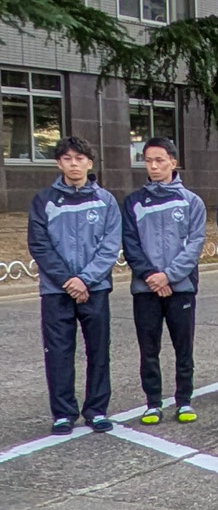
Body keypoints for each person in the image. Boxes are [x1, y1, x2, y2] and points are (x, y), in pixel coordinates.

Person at [29, 136, 122, 433]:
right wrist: (68, 280)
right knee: (58, 351)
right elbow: (39, 245)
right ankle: (63, 413)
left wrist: (85, 279)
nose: (74, 164)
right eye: (67, 159)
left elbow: (110, 246)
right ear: (59, 163)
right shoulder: (44, 200)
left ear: (89, 163)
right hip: (56, 290)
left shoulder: (106, 201)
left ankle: (96, 410)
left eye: (79, 158)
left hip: (95, 289)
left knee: (98, 350)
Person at [119, 136, 207, 425]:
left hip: (181, 288)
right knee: (149, 350)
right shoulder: (133, 202)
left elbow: (194, 245)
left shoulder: (192, 202)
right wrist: (151, 277)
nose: (154, 166)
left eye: (160, 160)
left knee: (184, 348)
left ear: (173, 162)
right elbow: (131, 245)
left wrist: (168, 276)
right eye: (148, 161)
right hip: (145, 289)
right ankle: (153, 403)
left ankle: (184, 401)